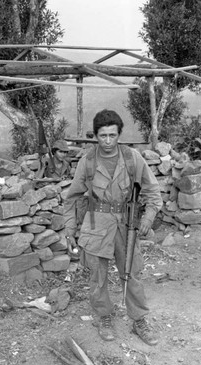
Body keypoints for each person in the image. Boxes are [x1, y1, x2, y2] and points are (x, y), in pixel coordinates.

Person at [64, 109, 163, 345]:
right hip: (95, 224)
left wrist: (147, 218)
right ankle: (104, 316)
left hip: (126, 224)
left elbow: (152, 192)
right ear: (95, 136)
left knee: (131, 272)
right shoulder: (87, 161)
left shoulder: (132, 158)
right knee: (97, 276)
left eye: (112, 135)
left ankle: (139, 319)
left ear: (119, 134)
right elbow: (73, 198)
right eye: (102, 136)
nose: (107, 141)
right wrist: (70, 230)